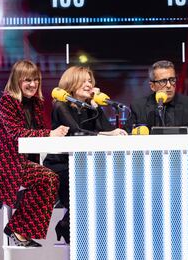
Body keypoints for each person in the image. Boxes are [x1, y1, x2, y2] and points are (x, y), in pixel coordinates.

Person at [0, 60, 69, 247]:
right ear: (17, 81)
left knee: (51, 178)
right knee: (48, 178)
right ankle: (18, 229)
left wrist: (53, 135)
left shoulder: (35, 102)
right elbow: (16, 133)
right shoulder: (8, 101)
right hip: (2, 163)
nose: (33, 84)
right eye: (28, 79)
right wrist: (49, 134)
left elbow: (37, 132)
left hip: (21, 161)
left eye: (36, 79)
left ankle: (19, 228)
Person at [44, 66, 127, 244]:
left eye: (91, 81)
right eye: (84, 80)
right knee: (86, 194)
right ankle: (70, 227)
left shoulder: (89, 107)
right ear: (72, 83)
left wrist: (96, 106)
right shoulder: (61, 105)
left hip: (82, 166)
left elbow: (107, 129)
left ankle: (68, 225)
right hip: (62, 165)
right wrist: (107, 135)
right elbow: (76, 132)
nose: (89, 84)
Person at [127, 60, 188, 133]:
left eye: (172, 80)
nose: (169, 85)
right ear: (152, 86)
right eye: (163, 81)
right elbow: (126, 135)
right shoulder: (138, 107)